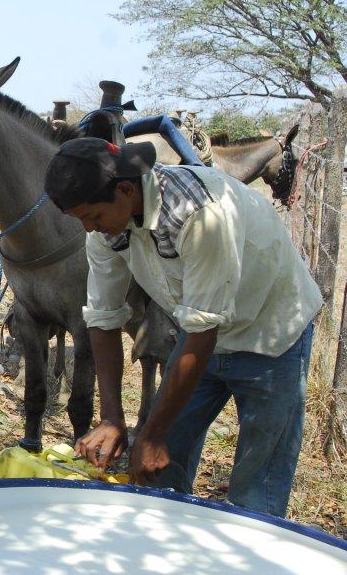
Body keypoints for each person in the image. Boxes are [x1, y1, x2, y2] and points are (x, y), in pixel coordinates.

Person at [44, 137, 322, 517]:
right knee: (156, 468)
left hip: (271, 333)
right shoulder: (107, 228)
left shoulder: (200, 213)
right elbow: (103, 319)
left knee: (257, 486)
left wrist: (152, 434)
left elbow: (202, 333)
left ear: (125, 190)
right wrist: (112, 418)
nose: (89, 229)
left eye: (91, 217)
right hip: (200, 338)